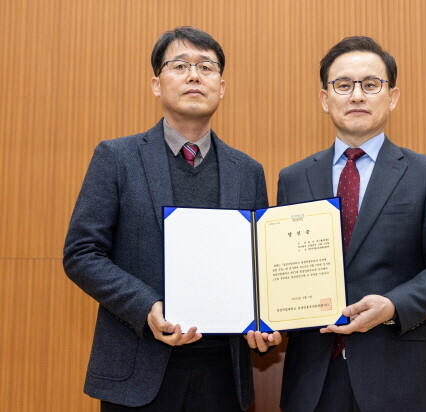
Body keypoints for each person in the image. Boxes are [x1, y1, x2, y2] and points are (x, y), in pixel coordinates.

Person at [63, 26, 280, 411]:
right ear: (156, 84)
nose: (194, 75)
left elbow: (258, 267)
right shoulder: (117, 158)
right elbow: (82, 253)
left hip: (222, 375)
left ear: (222, 86)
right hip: (137, 369)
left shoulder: (248, 170)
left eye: (206, 67)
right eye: (179, 65)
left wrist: (265, 317)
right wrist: (146, 306)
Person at [277, 36, 426, 412]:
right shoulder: (294, 178)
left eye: (370, 85)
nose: (356, 96)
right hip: (314, 379)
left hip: (399, 375)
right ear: (324, 98)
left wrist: (393, 305)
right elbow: (283, 273)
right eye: (343, 85)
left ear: (392, 96)